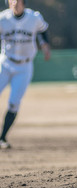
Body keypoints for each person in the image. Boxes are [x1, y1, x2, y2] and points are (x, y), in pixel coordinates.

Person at [0, 0, 51, 149]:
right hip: (5, 63)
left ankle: (2, 137)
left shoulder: (34, 18)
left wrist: (45, 45)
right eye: (12, 0)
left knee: (14, 103)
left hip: (24, 66)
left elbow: (43, 30)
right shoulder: (2, 18)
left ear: (24, 3)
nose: (15, 3)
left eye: (18, 1)